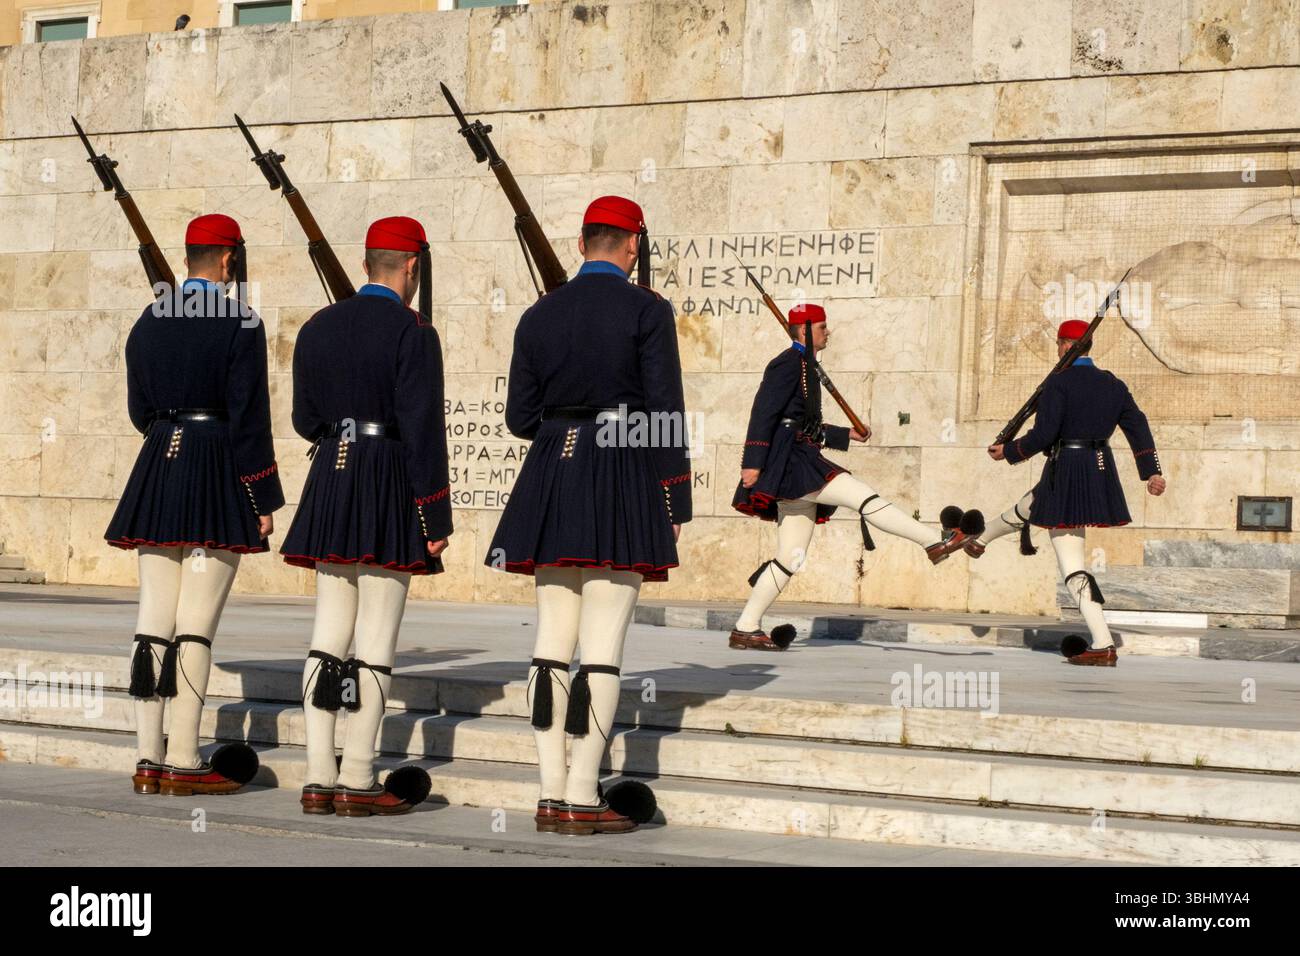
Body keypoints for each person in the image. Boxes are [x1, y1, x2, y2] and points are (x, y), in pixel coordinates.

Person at [486, 196, 690, 835]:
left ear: (581, 244)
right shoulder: (646, 310)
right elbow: (663, 409)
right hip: (621, 470)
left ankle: (549, 793)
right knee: (601, 648)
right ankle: (580, 795)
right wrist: (674, 496)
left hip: (553, 473)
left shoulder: (538, 315)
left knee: (551, 644)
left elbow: (521, 417)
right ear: (633, 246)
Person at [281, 216, 450, 815]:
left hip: (333, 473)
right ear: (411, 268)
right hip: (387, 477)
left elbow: (305, 420)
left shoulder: (319, 327)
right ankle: (357, 777)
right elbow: (424, 431)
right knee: (375, 639)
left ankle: (317, 773)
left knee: (328, 635)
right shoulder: (413, 332)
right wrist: (435, 520)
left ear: (365, 264)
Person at [106, 213, 277, 796]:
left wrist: (166, 440)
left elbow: (137, 409)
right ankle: (184, 760)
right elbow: (250, 417)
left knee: (152, 622)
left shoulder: (148, 319)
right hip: (214, 468)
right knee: (195, 628)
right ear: (229, 260)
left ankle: (148, 759)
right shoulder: (240, 320)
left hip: (159, 464)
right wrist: (262, 494)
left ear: (189, 258)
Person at [730, 303, 981, 650]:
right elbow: (763, 414)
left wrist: (845, 435)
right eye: (821, 327)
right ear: (803, 331)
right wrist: (752, 463)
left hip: (798, 461)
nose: (827, 332)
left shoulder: (807, 366)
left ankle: (746, 626)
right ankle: (933, 541)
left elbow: (807, 426)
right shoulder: (787, 365)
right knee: (865, 498)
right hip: (793, 464)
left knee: (789, 557)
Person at [977, 318, 1167, 666]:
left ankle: (1103, 642)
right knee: (1033, 504)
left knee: (1071, 562)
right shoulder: (1113, 384)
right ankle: (979, 539)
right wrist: (1151, 471)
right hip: (1098, 468)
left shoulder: (1059, 383)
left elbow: (1044, 435)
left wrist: (1010, 451)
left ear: (1066, 344)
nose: (1059, 349)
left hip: (1067, 468)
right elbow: (1137, 424)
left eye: (1059, 343)